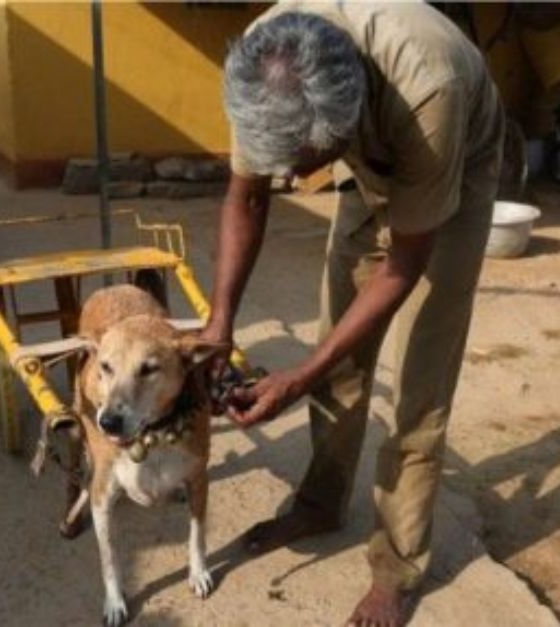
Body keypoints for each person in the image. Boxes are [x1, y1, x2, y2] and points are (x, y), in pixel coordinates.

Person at [202, 5, 503, 625]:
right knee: (337, 347)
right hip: (367, 140)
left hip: (455, 159)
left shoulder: (430, 89)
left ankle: (397, 565)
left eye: (303, 162)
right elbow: (247, 197)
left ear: (344, 127)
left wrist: (300, 374)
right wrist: (218, 326)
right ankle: (321, 501)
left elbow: (404, 264)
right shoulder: (262, 64)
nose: (292, 180)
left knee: (421, 383)